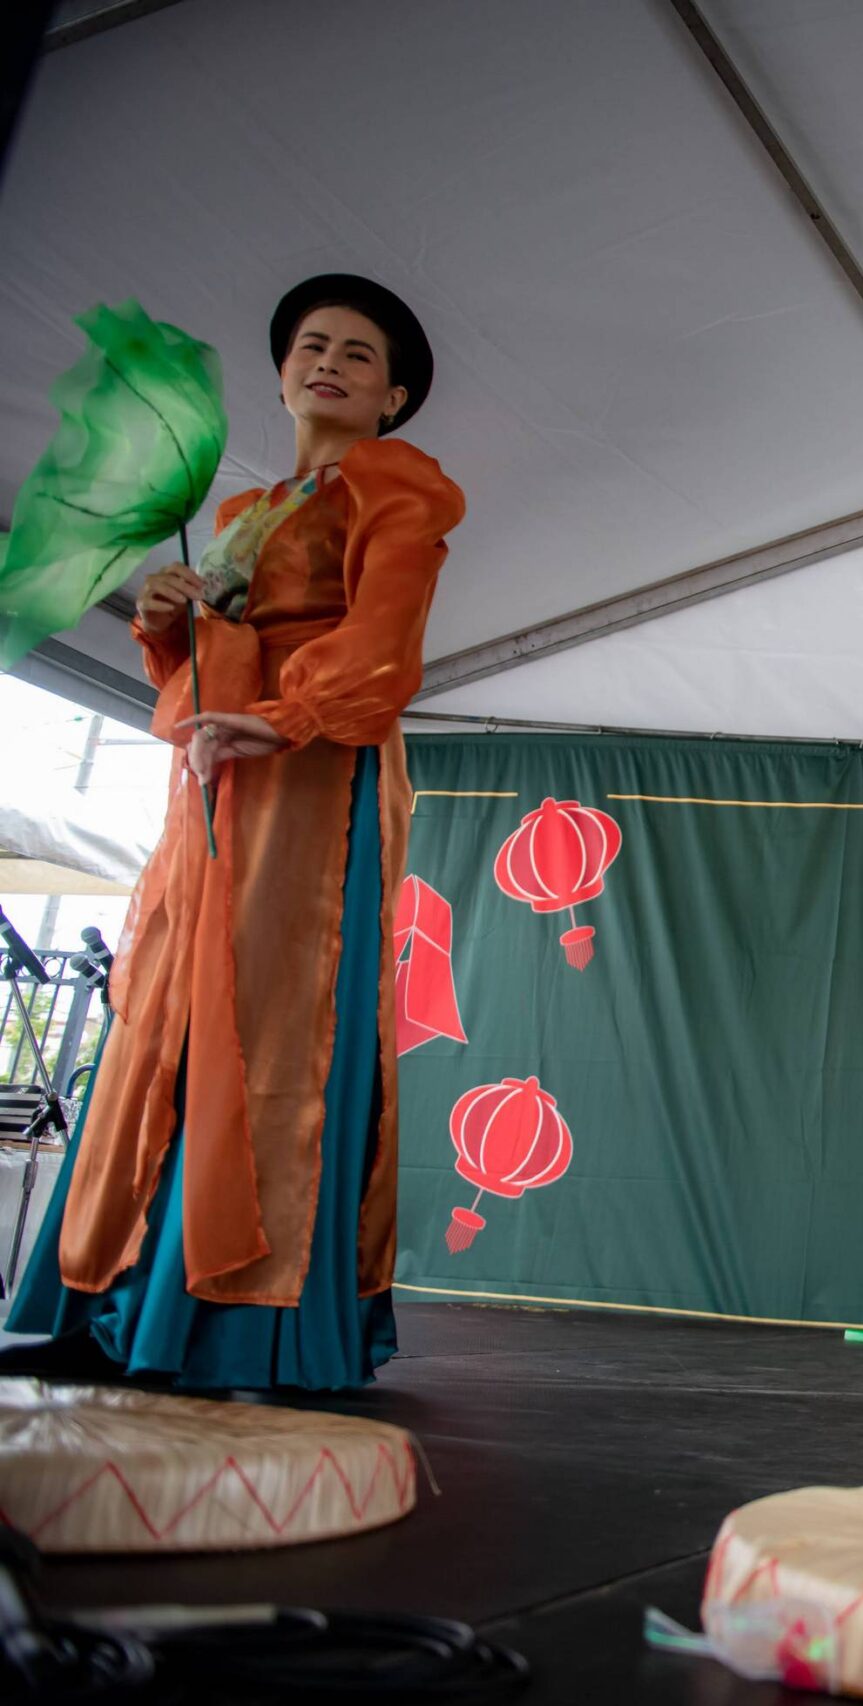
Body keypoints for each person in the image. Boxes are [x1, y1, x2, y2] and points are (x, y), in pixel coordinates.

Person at [5, 274, 464, 1390]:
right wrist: (170, 628)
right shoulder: (238, 515)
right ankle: (119, 1303)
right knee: (168, 1009)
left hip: (312, 771)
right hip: (218, 777)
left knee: (270, 1019)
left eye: (358, 354)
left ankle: (240, 1321)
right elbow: (202, 671)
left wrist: (286, 717)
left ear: (394, 397)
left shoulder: (397, 482)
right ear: (281, 374)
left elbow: (385, 642)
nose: (329, 363)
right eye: (312, 346)